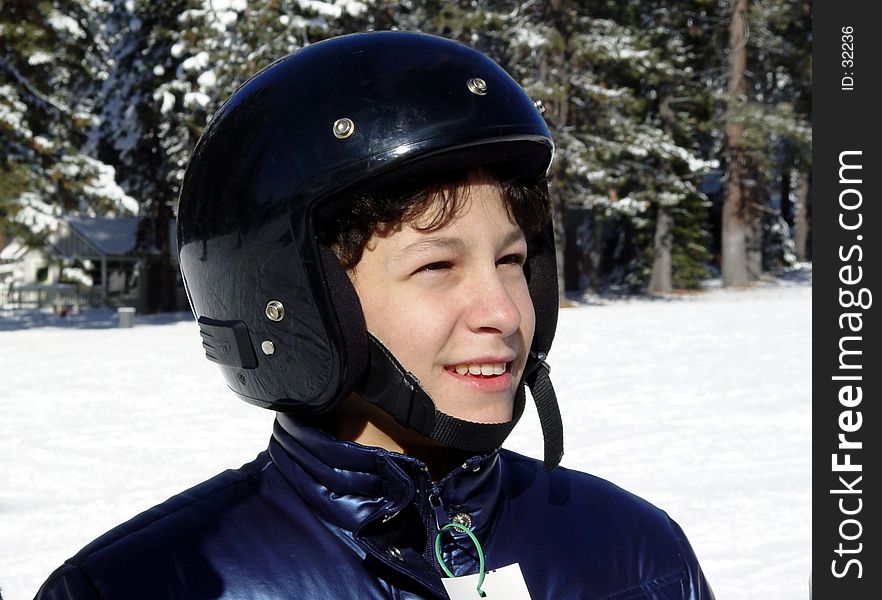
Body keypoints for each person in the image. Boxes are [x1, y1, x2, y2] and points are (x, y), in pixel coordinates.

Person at [36, 31, 715, 599]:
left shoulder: (637, 554)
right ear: (296, 305)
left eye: (511, 261)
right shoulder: (149, 586)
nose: (503, 312)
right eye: (436, 267)